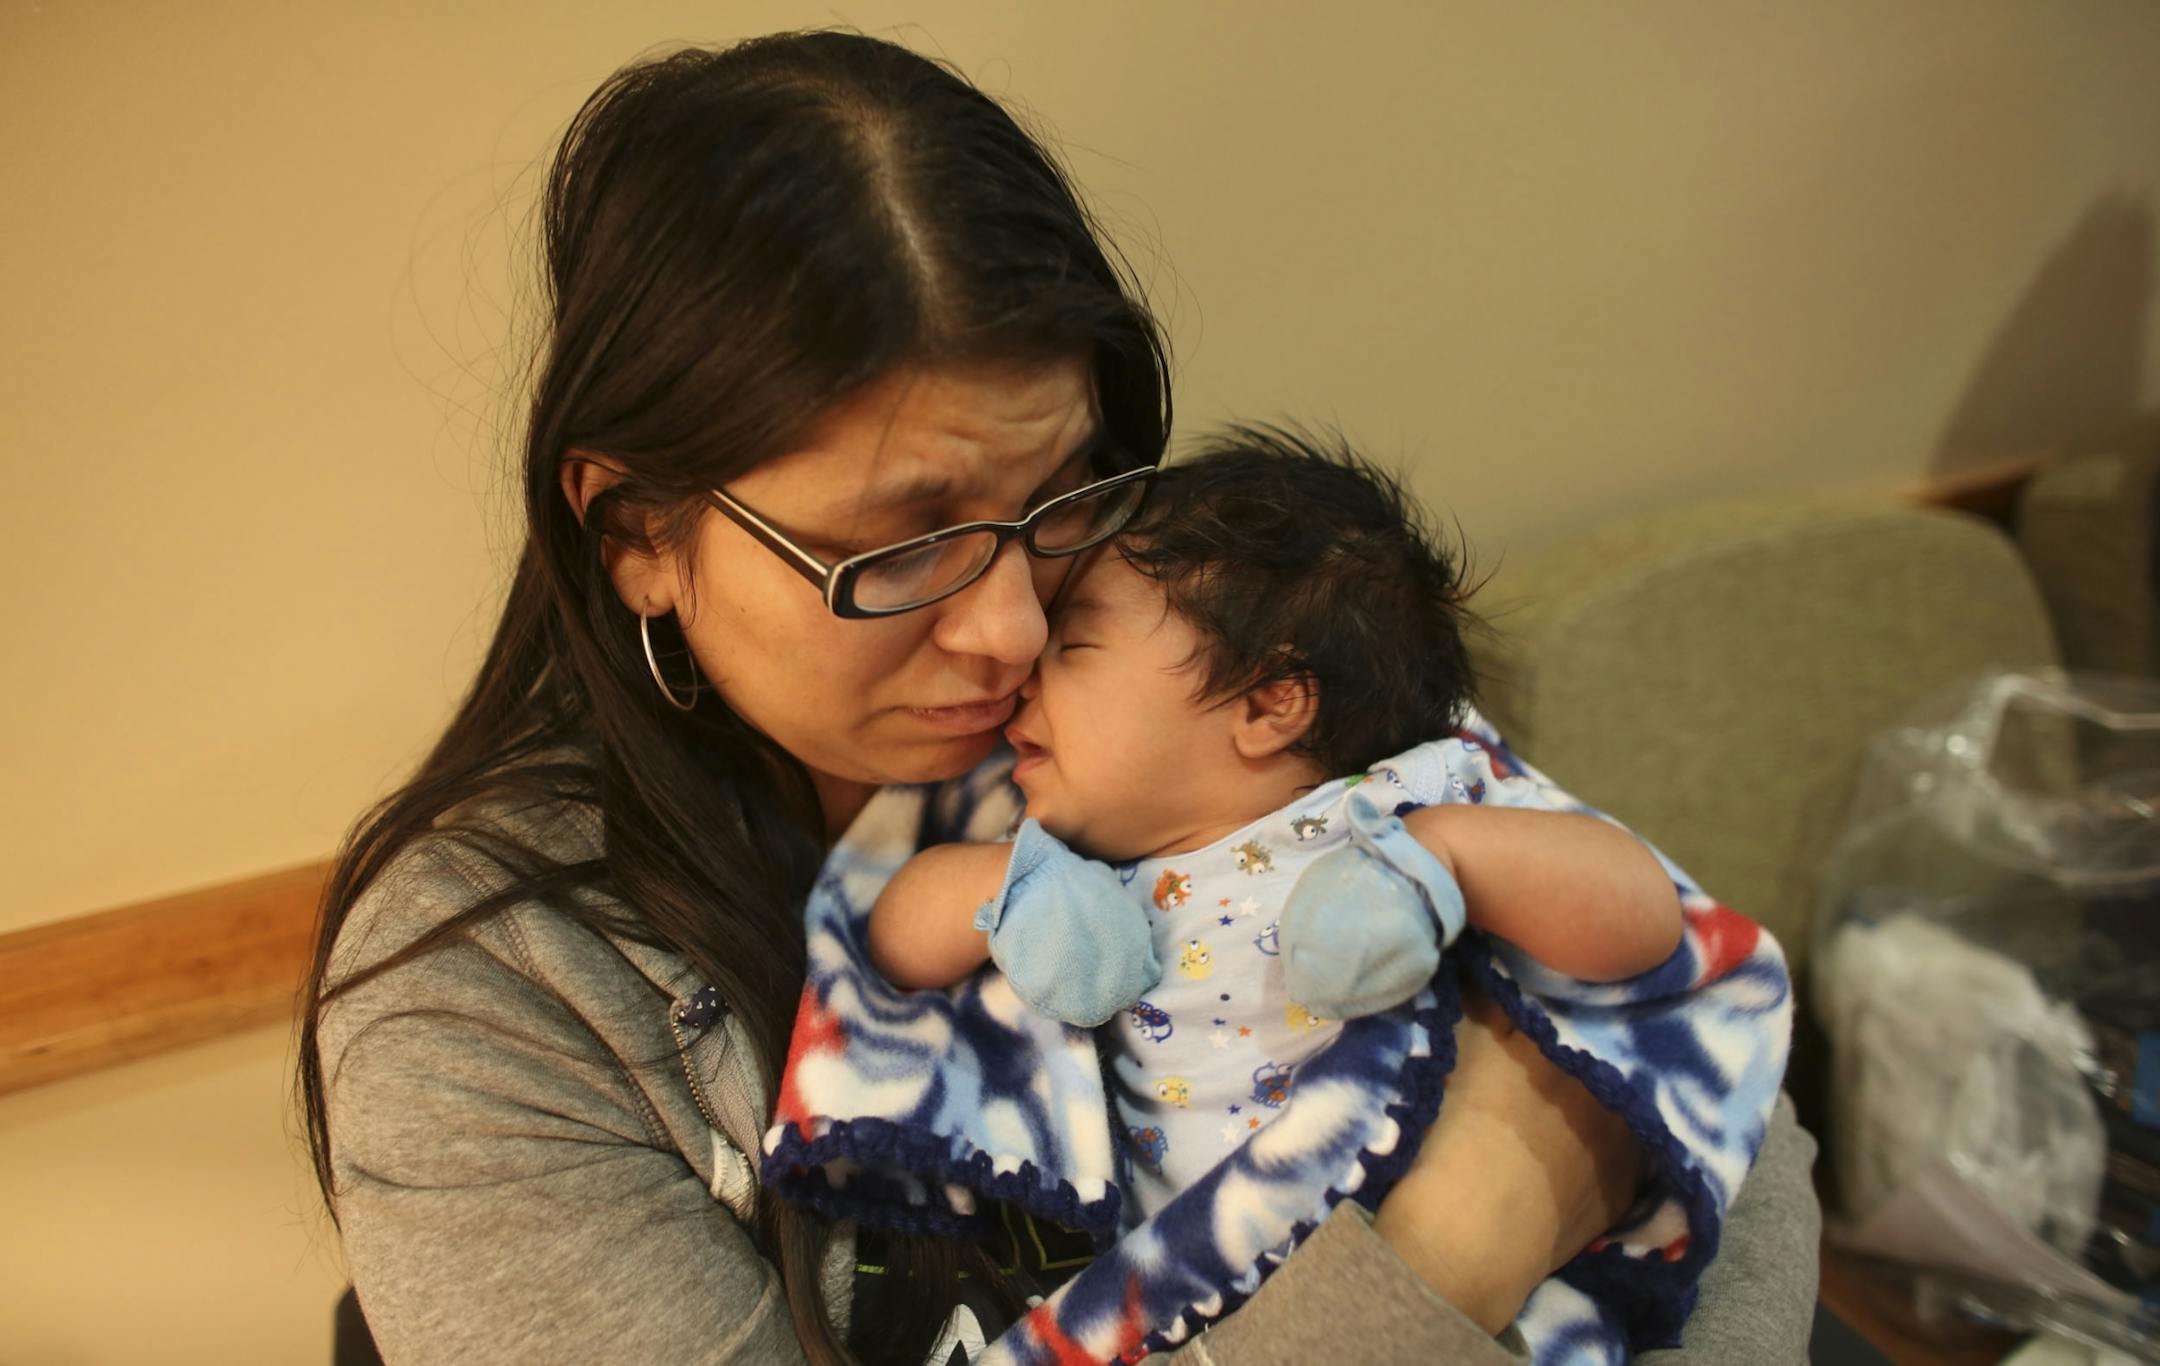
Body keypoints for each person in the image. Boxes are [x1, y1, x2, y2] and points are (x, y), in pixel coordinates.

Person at [298, 30, 1820, 1365]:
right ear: (638, 535)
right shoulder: (488, 1004)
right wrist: (1465, 1236)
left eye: (1062, 491)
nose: (1012, 624)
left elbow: (1700, 1043)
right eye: (899, 544)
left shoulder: (1183, 652)